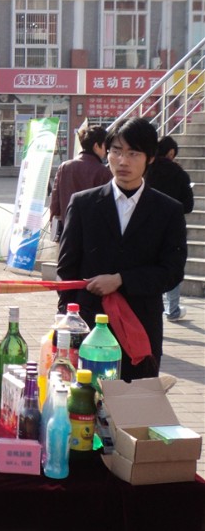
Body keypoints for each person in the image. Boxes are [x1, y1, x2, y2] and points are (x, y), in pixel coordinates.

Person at [57, 117, 187, 381]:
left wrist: (121, 280)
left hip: (141, 327)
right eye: (116, 151)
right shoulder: (83, 204)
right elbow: (67, 269)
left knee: (135, 401)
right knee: (84, 400)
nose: (123, 161)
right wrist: (66, 321)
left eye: (133, 153)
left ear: (150, 158)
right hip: (88, 326)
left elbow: (172, 272)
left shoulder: (168, 211)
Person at [145, 135, 194, 321]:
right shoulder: (179, 173)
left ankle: (150, 306)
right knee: (171, 264)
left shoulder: (146, 170)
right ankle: (172, 309)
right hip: (171, 228)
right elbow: (188, 206)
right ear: (171, 152)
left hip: (145, 224)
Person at [49, 124, 112, 240]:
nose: (107, 150)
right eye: (105, 145)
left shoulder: (64, 167)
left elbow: (55, 202)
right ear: (96, 146)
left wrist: (54, 226)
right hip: (93, 234)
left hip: (67, 230)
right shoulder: (103, 172)